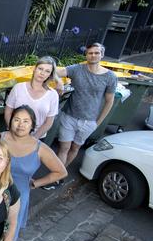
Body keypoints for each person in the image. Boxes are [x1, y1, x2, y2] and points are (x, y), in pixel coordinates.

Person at [0, 105, 67, 240]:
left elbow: (61, 172)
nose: (20, 125)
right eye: (17, 120)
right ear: (10, 121)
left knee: (6, 235)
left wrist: (36, 183)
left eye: (26, 121)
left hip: (17, 197)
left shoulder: (40, 148)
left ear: (32, 125)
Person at [50, 42, 117, 188]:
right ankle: (55, 178)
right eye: (90, 53)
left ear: (102, 55)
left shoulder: (110, 77)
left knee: (75, 148)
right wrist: (59, 81)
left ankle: (61, 172)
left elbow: (109, 101)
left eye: (96, 53)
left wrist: (98, 122)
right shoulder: (77, 69)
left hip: (89, 121)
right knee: (64, 148)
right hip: (70, 116)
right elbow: (52, 70)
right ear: (86, 54)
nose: (93, 55)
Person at [4, 56, 60, 139]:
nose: (42, 73)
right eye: (40, 69)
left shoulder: (53, 95)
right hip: (13, 135)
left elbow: (48, 122)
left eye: (47, 71)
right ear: (34, 68)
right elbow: (8, 111)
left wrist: (32, 139)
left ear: (50, 75)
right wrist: (13, 132)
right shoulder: (18, 88)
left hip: (37, 138)